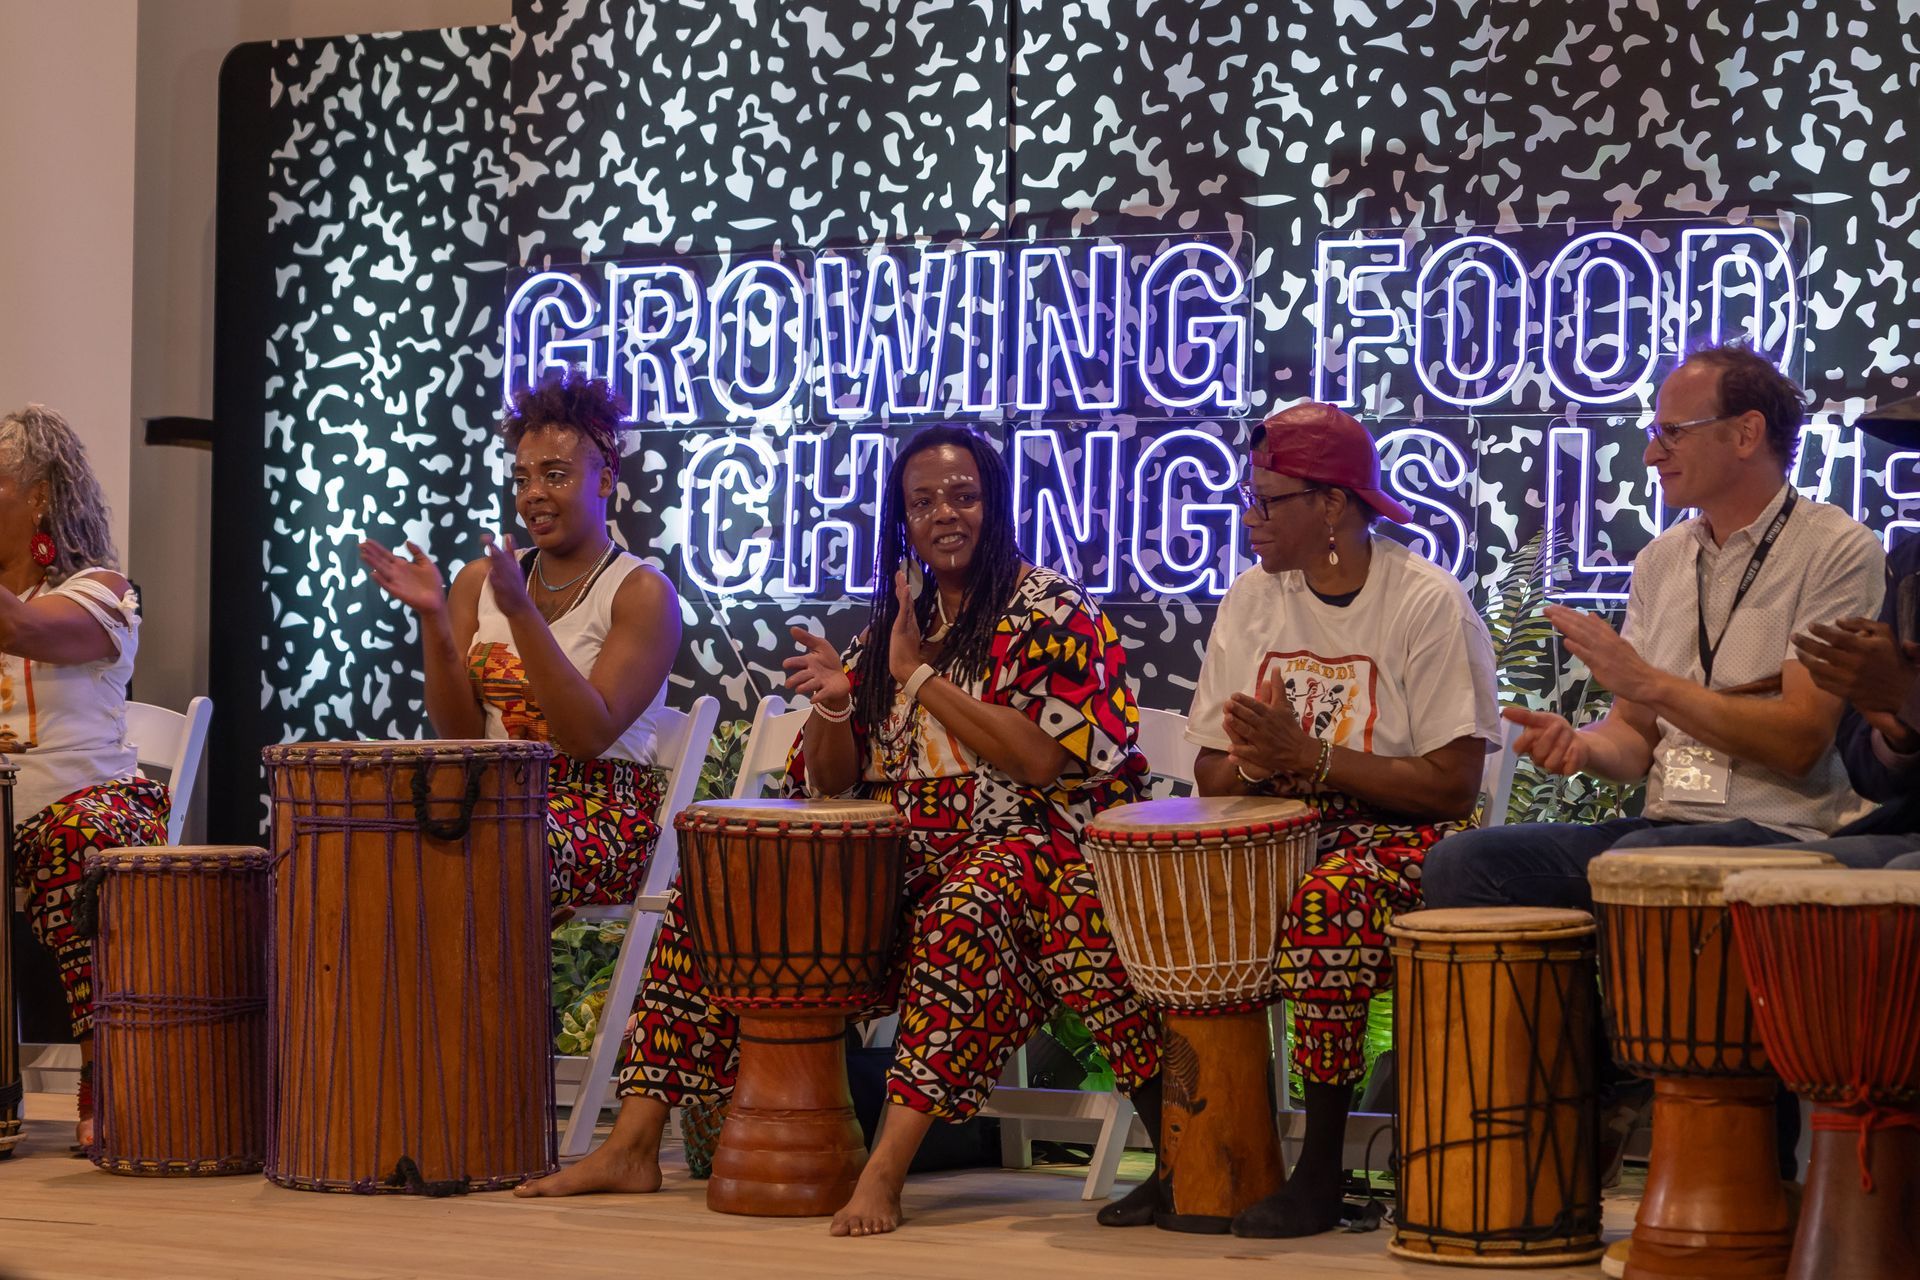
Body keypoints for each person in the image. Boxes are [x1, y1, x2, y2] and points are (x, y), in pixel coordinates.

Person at [516, 424, 1161, 1238]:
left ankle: (884, 1171)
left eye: (963, 496)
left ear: (995, 504)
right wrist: (833, 702)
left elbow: (1038, 762)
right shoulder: (894, 618)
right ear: (902, 518)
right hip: (896, 857)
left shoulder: (1053, 610)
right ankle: (635, 1144)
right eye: (922, 502)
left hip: (1028, 851)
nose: (944, 515)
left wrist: (917, 677)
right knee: (715, 896)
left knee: (965, 913)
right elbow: (826, 780)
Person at [1107, 402, 1499, 1238]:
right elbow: (1214, 771)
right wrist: (1259, 760)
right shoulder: (1254, 597)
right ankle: (1193, 1159)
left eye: (1269, 501)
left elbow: (1453, 787)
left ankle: (1320, 1174)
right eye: (1250, 499)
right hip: (1277, 830)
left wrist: (1310, 758)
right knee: (1109, 897)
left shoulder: (1426, 601)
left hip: (1400, 839)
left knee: (1327, 903)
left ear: (1333, 506)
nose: (1250, 519)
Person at [1422, 343, 1885, 907]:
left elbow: (1799, 742)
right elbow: (1634, 739)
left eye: (1672, 432)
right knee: (1462, 862)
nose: (1649, 454)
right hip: (1663, 830)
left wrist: (1653, 684)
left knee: (1640, 860)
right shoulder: (1660, 561)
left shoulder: (1835, 548)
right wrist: (1583, 745)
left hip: (1783, 837)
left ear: (1745, 434)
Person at [361, 371, 680, 912]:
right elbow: (461, 735)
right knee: (372, 831)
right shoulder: (476, 582)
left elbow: (586, 736)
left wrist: (521, 613)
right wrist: (435, 619)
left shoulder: (642, 592)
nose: (533, 494)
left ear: (605, 481)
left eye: (555, 475)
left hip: (602, 811)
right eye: (522, 478)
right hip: (493, 796)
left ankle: (484, 998)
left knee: (489, 838)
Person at [0, 405, 171, 1147]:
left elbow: (24, 631)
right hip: (5, 813)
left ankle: (109, 1074)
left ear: (39, 494)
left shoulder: (103, 591)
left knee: (78, 841)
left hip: (89, 802)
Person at [1777, 391, 1920, 866]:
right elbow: (1871, 772)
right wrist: (1896, 736)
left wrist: (1907, 694)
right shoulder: (1910, 564)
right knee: (1802, 877)